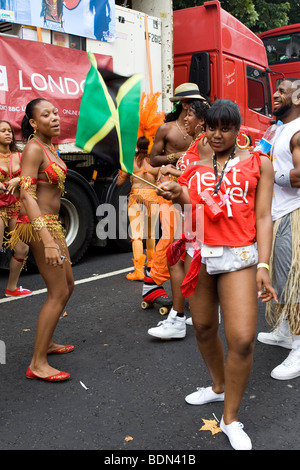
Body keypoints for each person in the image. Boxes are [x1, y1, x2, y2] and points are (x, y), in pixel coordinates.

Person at [157, 99, 277, 450]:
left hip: (239, 257)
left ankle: (231, 418)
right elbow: (190, 215)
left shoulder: (259, 163)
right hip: (200, 255)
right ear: (204, 128)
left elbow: (264, 217)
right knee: (204, 327)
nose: (218, 134)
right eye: (212, 127)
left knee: (241, 339)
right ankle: (218, 386)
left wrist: (264, 265)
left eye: (226, 127)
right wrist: (178, 193)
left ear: (239, 129)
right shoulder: (192, 165)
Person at [8, 98, 74, 382]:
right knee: (58, 292)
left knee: (68, 286)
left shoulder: (48, 146)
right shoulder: (35, 148)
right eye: (45, 115)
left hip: (53, 224)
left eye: (56, 113)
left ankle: (46, 342)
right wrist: (46, 240)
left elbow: (29, 180)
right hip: (40, 227)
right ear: (33, 123)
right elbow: (27, 196)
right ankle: (37, 363)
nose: (55, 118)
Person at [147, 99, 211, 338]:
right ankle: (191, 314)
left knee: (182, 260)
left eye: (191, 115)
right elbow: (194, 172)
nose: (186, 119)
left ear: (202, 120)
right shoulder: (197, 143)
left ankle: (178, 318)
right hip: (189, 210)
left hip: (197, 211)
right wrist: (175, 171)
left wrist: (177, 176)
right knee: (182, 260)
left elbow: (207, 175)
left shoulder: (204, 142)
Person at [257, 78, 300, 380]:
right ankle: (285, 330)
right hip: (276, 214)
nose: (275, 94)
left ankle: (299, 345)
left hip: (292, 214)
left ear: (297, 98)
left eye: (283, 91)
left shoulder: (297, 132)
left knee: (295, 281)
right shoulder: (276, 130)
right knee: (280, 276)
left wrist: (273, 176)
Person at [116, 136, 160, 280]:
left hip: (136, 198)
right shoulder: (155, 163)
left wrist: (122, 173)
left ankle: (138, 270)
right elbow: (161, 184)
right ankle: (151, 265)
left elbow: (119, 183)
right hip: (152, 198)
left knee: (137, 236)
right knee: (151, 234)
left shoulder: (130, 162)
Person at [0, 120, 32, 298]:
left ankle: (11, 288)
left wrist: (18, 180)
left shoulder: (19, 156)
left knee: (22, 249)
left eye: (10, 131)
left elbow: (30, 175)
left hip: (16, 207)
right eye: (3, 131)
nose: (7, 134)